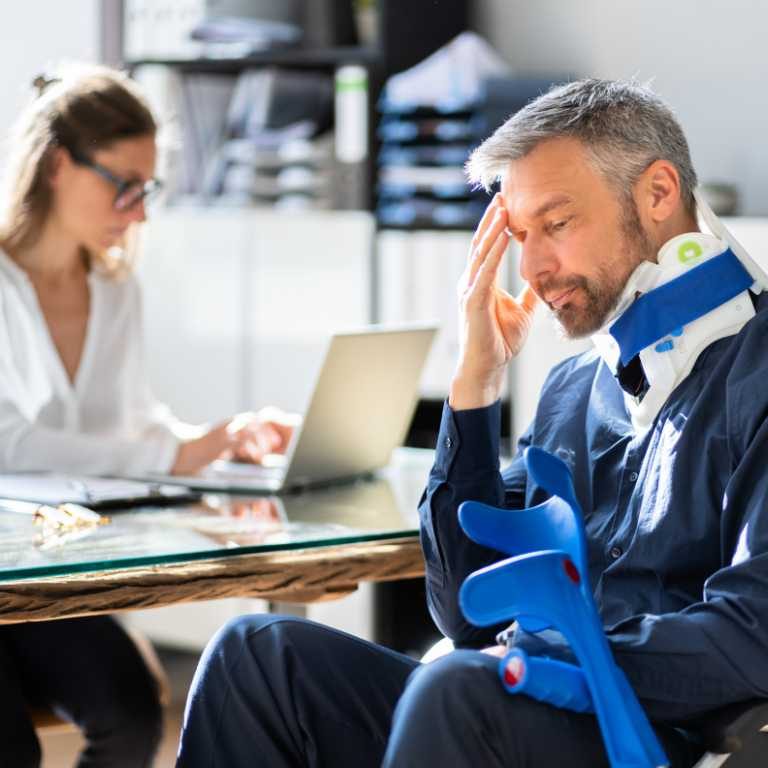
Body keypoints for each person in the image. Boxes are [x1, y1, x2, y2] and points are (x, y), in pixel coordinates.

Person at [175, 79, 768, 768]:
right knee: (256, 656)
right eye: (520, 236)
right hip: (521, 704)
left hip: (656, 734)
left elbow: (754, 633)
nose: (533, 269)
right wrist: (476, 384)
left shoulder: (755, 371)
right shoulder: (574, 391)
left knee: (457, 688)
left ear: (658, 193)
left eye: (557, 224)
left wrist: (545, 656)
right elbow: (465, 614)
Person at [0, 65, 294, 767]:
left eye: (147, 189)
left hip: (47, 581)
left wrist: (215, 441)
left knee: (133, 714)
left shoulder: (114, 289)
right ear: (58, 165)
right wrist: (172, 455)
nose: (138, 213)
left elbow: (130, 423)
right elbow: (8, 446)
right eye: (124, 184)